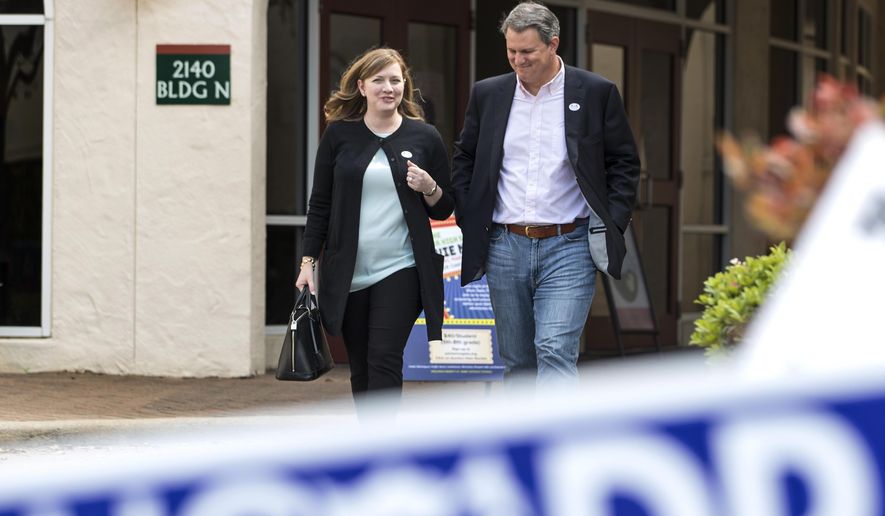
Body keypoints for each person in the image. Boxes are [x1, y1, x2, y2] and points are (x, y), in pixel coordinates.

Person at [452, 2, 639, 386]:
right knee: (518, 360)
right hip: (505, 244)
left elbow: (624, 163)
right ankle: (524, 444)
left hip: (569, 244)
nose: (517, 60)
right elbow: (465, 156)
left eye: (527, 52)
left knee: (554, 348)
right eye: (511, 51)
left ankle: (560, 443)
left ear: (553, 44)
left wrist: (613, 222)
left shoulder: (596, 93)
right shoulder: (488, 94)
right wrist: (470, 213)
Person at [295, 48, 453, 407]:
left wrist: (428, 186)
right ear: (362, 86)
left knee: (384, 357)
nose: (388, 88)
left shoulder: (425, 137)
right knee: (361, 366)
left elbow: (445, 206)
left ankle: (384, 446)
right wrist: (308, 263)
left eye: (395, 80)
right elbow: (320, 204)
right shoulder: (339, 136)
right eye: (379, 80)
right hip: (348, 272)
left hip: (401, 267)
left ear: (404, 87)